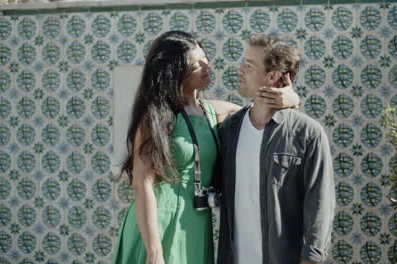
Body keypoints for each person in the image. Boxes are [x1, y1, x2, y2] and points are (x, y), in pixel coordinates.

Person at [112, 31, 300, 264]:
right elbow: (142, 184)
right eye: (196, 64)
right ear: (176, 72)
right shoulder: (156, 117)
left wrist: (292, 98)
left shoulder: (212, 111)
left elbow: (258, 110)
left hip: (196, 221)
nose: (206, 65)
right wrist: (154, 251)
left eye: (205, 58)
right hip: (160, 222)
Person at [217, 34, 335, 264]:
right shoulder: (229, 130)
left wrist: (311, 259)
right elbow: (196, 107)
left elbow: (319, 203)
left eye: (249, 66)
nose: (240, 70)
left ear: (272, 76)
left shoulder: (307, 134)